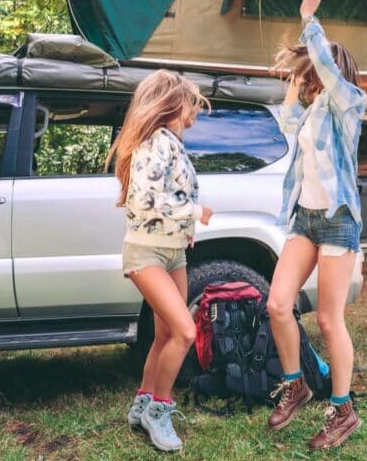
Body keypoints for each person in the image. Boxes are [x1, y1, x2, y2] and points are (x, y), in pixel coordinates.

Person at [265, 0, 367, 450]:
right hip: (305, 218)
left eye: (316, 71)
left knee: (329, 319)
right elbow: (288, 121)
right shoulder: (314, 111)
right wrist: (294, 81)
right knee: (277, 304)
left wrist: (309, 19)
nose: (313, 79)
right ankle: (297, 385)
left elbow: (325, 64)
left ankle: (343, 411)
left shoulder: (350, 104)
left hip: (338, 220)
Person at [106, 69, 214, 453]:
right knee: (185, 332)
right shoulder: (155, 143)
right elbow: (146, 199)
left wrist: (186, 229)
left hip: (173, 252)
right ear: (170, 103)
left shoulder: (171, 143)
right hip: (146, 252)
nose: (194, 110)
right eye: (189, 103)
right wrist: (195, 213)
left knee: (166, 334)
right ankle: (159, 410)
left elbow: (172, 191)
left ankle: (142, 403)